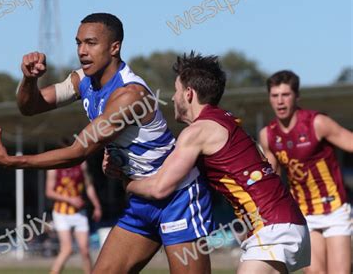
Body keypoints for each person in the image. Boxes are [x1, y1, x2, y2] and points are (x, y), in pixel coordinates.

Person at [0, 13, 214, 273]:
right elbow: (31, 106)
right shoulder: (82, 82)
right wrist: (29, 79)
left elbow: (77, 152)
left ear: (115, 47)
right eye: (78, 43)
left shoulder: (129, 96)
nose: (82, 51)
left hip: (178, 196)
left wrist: (12, 162)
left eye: (91, 43)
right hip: (142, 198)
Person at [110, 52, 310, 274]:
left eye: (176, 91)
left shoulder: (198, 131)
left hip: (273, 227)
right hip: (280, 223)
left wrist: (125, 180)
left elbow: (160, 187)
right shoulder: (224, 120)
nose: (174, 98)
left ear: (188, 94)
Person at [258, 70, 352, 274]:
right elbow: (271, 178)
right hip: (304, 213)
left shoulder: (317, 123)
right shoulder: (267, 135)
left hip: (335, 210)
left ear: (297, 96)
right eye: (275, 96)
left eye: (286, 95)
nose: (280, 101)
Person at [46, 143, 102, 274]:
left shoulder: (81, 164)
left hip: (79, 213)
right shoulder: (54, 168)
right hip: (61, 213)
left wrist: (97, 205)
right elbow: (49, 192)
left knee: (85, 251)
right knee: (67, 249)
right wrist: (70, 200)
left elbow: (89, 186)